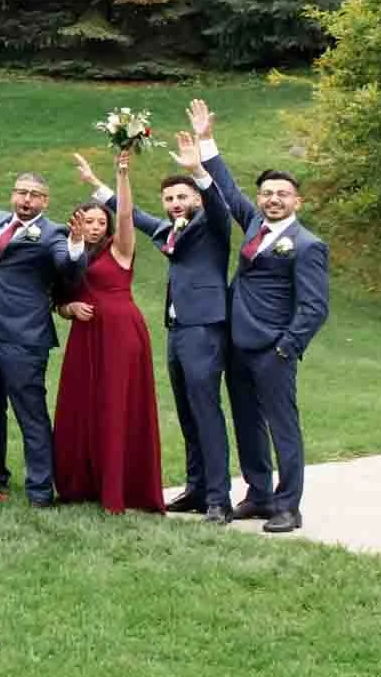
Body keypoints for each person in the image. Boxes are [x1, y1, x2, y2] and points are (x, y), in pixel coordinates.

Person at [76, 100, 236, 522]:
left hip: (205, 328)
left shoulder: (212, 225)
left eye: (182, 196)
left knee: (205, 409)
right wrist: (99, 183)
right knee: (186, 411)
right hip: (177, 329)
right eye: (169, 198)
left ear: (197, 199)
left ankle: (220, 499)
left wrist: (200, 165)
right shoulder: (172, 229)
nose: (175, 203)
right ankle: (197, 488)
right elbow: (135, 217)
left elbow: (220, 204)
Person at [209, 140, 331, 535]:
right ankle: (258, 494)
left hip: (273, 350)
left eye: (282, 194)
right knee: (247, 422)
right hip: (237, 345)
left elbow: (315, 307)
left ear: (298, 201)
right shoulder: (253, 226)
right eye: (266, 193)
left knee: (283, 428)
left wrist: (286, 347)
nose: (273, 199)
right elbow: (227, 191)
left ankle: (288, 506)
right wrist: (207, 146)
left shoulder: (307, 245)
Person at [0, 169, 86, 506]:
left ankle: (41, 489)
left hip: (23, 338)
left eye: (33, 195)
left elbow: (68, 268)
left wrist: (75, 245)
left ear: (45, 200)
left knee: (30, 414)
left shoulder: (52, 234)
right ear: (13, 194)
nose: (25, 200)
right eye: (20, 192)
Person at [52, 147, 165, 514]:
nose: (96, 226)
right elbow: (60, 300)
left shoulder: (120, 249)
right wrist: (69, 308)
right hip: (85, 336)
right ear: (78, 223)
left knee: (116, 404)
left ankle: (119, 487)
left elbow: (128, 214)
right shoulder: (69, 253)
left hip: (119, 333)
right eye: (90, 221)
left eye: (102, 221)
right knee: (82, 404)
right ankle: (81, 481)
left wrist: (119, 175)